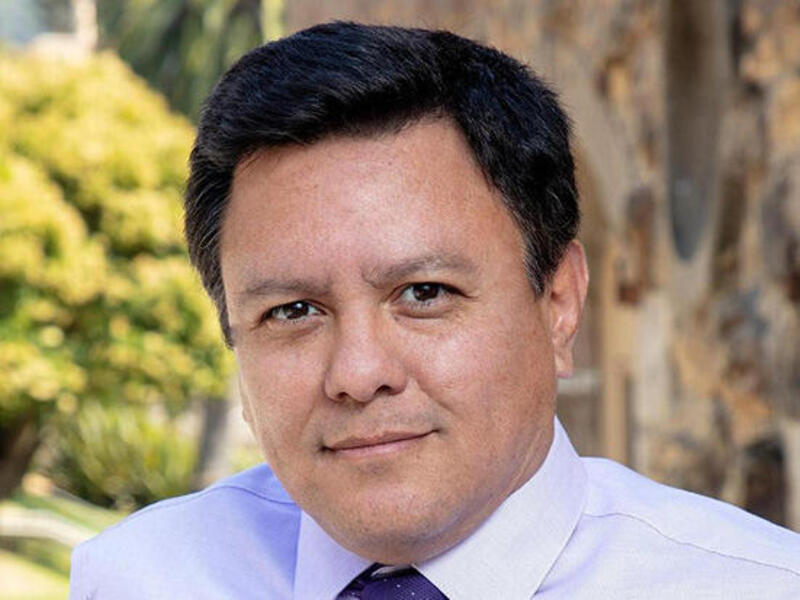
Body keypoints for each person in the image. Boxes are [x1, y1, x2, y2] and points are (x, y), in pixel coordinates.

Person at [70, 21, 800, 599]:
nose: (357, 373)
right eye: (293, 310)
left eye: (424, 295)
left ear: (559, 304)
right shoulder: (139, 577)